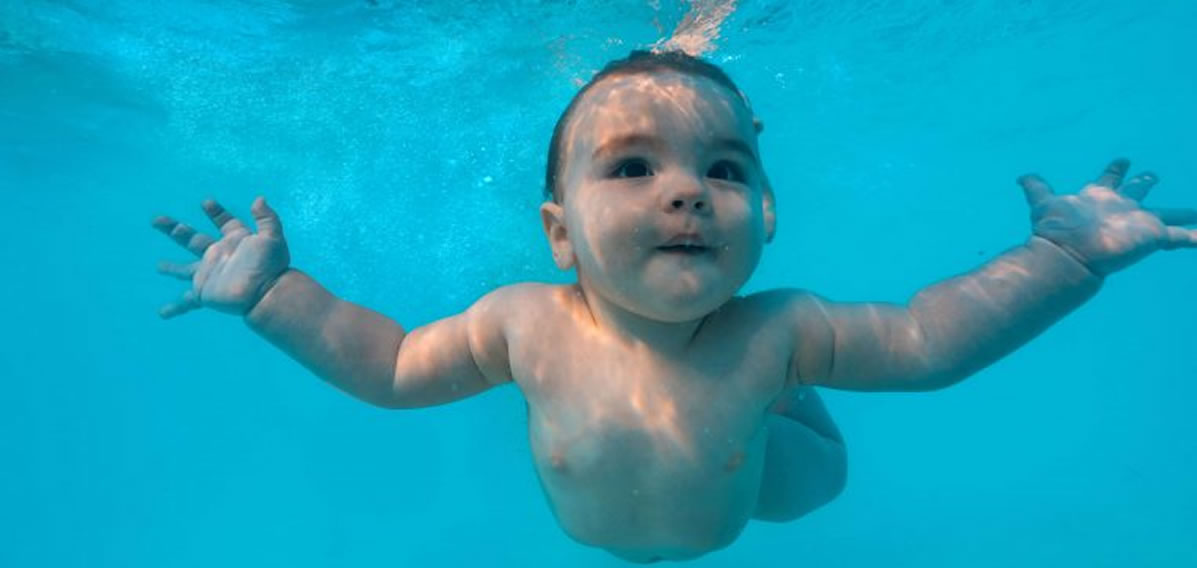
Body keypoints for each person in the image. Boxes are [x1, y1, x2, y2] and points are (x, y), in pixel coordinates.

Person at [150, 50, 1196, 563]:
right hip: (630, 512)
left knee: (798, 444)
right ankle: (773, 404)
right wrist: (276, 296)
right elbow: (383, 364)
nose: (687, 190)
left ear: (767, 213)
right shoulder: (523, 321)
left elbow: (928, 342)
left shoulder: (777, 324)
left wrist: (1067, 256)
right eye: (635, 165)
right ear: (559, 232)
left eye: (725, 169)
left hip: (779, 487)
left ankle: (793, 404)